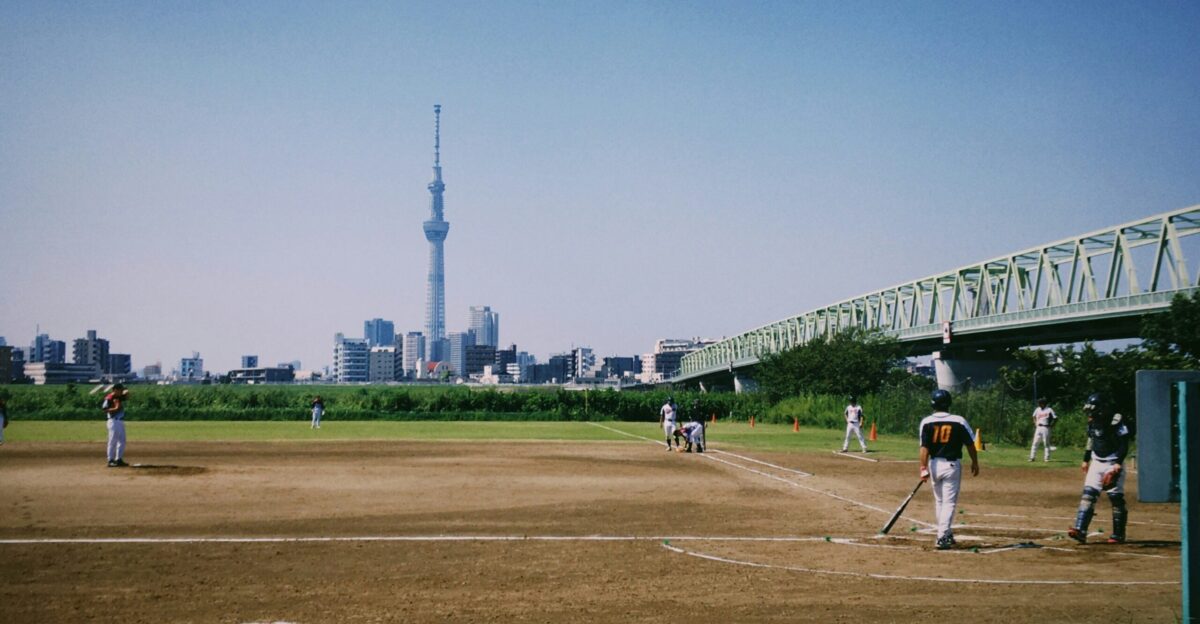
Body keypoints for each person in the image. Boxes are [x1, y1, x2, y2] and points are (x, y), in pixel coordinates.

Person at [918, 389, 980, 550]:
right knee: (949, 502)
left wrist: (923, 467)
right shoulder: (958, 420)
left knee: (940, 501)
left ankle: (946, 532)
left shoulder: (926, 421)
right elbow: (970, 444)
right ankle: (942, 536)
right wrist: (975, 462)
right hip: (951, 466)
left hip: (934, 465)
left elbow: (924, 448)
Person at [1068, 393, 1132, 544]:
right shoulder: (1092, 422)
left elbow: (1124, 444)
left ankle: (1118, 534)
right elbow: (1091, 441)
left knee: (1115, 498)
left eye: (1094, 409)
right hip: (1097, 461)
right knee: (1088, 495)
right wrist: (1085, 460)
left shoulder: (1116, 420)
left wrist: (1117, 463)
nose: (1091, 413)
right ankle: (1080, 530)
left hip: (1112, 462)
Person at [102, 384, 129, 467]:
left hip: (120, 421)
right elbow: (104, 409)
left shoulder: (118, 397)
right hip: (113, 421)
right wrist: (115, 408)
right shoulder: (109, 398)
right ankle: (110, 460)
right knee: (112, 441)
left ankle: (119, 459)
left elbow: (127, 395)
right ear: (115, 390)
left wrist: (126, 391)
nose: (121, 391)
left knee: (122, 440)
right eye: (120, 390)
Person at [1029, 397, 1057, 462]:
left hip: (1046, 427)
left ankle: (1046, 458)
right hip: (1038, 427)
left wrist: (1052, 425)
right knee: (1035, 442)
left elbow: (1055, 418)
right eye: (1039, 403)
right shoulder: (1037, 409)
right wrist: (1035, 423)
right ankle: (1032, 457)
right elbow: (1033, 416)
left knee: (1046, 443)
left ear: (1044, 403)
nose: (1039, 404)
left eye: (1040, 403)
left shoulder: (1049, 410)